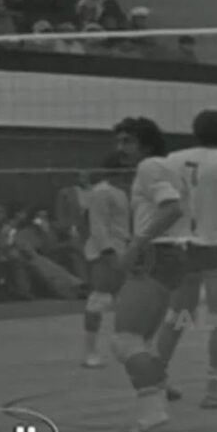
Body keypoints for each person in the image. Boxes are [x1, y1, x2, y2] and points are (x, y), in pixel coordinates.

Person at [153, 110, 217, 410]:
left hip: (179, 244)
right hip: (216, 245)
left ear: (194, 131)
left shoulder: (171, 160)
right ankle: (216, 387)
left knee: (176, 315)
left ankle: (156, 380)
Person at [108, 117, 193, 432]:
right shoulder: (170, 167)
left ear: (146, 143)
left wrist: (136, 245)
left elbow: (172, 209)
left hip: (156, 254)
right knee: (141, 342)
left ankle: (153, 418)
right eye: (119, 141)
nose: (121, 148)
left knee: (126, 341)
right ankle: (156, 407)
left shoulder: (150, 167)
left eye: (127, 141)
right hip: (171, 254)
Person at [81, 153, 133, 368]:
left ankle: (125, 348)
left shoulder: (123, 192)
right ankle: (90, 352)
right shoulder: (101, 192)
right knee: (99, 299)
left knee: (125, 301)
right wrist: (108, 252)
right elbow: (98, 225)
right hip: (106, 252)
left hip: (124, 248)